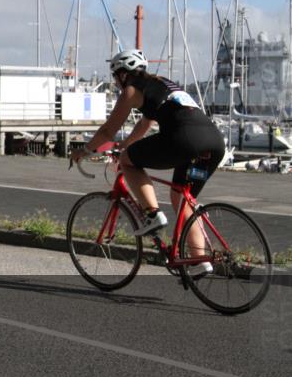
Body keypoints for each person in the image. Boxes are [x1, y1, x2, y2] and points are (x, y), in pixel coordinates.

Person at [71, 49, 225, 275]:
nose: (116, 82)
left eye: (115, 77)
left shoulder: (131, 90)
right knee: (183, 198)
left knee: (128, 162)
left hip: (184, 138)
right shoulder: (163, 83)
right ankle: (200, 259)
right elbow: (144, 124)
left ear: (123, 74)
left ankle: (152, 215)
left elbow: (107, 131)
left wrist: (83, 151)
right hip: (213, 142)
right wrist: (125, 145)